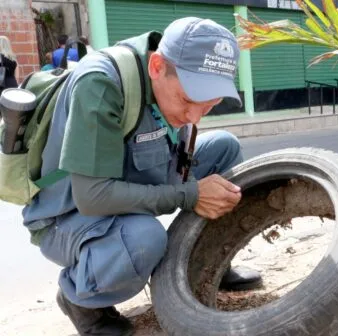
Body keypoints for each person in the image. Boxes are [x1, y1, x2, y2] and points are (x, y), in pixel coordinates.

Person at [22, 17, 261, 335]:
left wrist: (190, 184)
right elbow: (92, 196)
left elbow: (175, 145)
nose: (193, 116)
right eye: (188, 100)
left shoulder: (173, 83)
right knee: (144, 239)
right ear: (158, 66)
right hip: (68, 216)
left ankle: (211, 261)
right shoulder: (99, 83)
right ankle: (82, 299)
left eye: (209, 105)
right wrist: (190, 194)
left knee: (224, 148)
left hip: (133, 180)